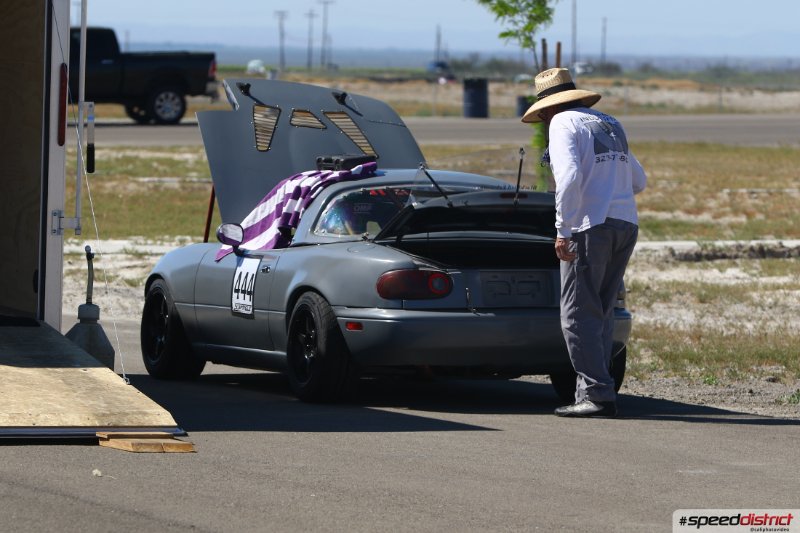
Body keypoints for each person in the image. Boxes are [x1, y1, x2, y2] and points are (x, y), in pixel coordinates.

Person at [522, 68, 647, 418]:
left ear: (547, 109)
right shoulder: (609, 123)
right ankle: (597, 391)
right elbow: (639, 180)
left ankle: (596, 394)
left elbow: (570, 176)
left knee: (577, 315)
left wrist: (564, 229)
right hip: (625, 223)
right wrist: (610, 188)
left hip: (590, 227)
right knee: (602, 311)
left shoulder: (562, 124)